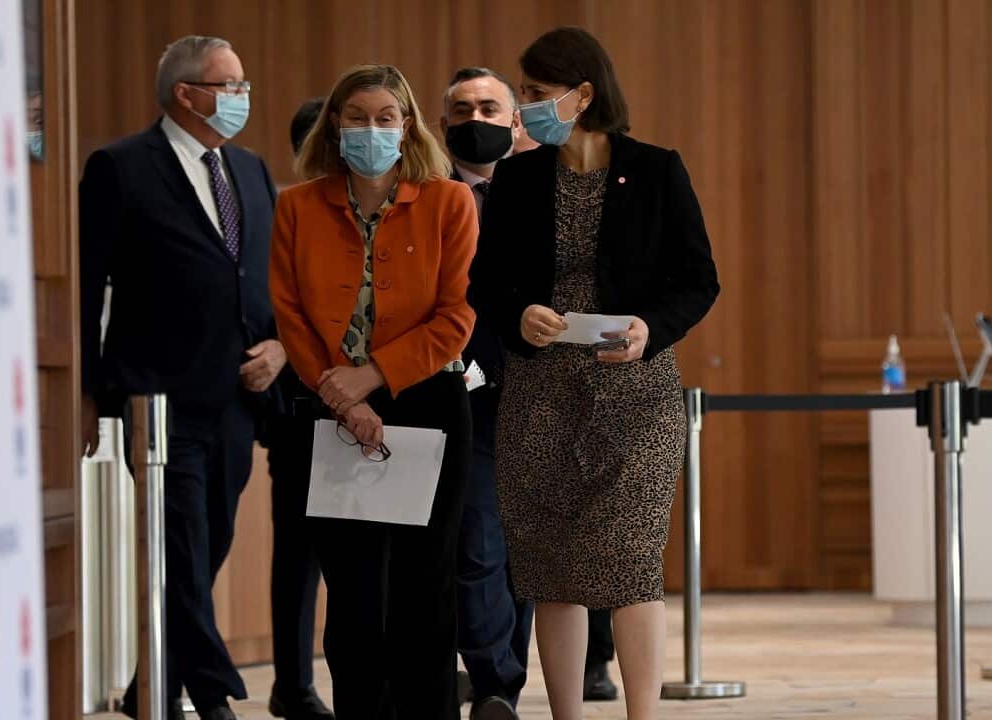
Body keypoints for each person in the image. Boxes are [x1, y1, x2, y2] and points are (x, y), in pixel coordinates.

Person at [470, 27, 720, 720]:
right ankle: (567, 716)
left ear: (583, 94)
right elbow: (485, 283)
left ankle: (642, 714)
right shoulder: (518, 178)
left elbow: (698, 280)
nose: (525, 108)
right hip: (541, 393)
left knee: (631, 563)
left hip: (635, 395)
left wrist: (651, 327)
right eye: (521, 94)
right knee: (552, 569)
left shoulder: (657, 169)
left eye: (536, 94)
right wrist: (518, 313)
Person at [79, 35, 285, 720]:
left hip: (240, 397)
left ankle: (154, 684)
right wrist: (85, 393)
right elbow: (85, 287)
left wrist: (279, 347)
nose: (240, 96)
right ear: (185, 94)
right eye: (227, 84)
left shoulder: (251, 170)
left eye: (243, 82)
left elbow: (271, 281)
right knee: (181, 545)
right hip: (157, 396)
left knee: (207, 544)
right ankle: (213, 689)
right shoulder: (120, 167)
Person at [270, 64, 478, 720]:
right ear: (335, 124)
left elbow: (457, 315)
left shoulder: (449, 201)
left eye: (386, 117)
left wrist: (375, 374)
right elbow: (289, 314)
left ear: (407, 125)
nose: (371, 129)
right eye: (357, 116)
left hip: (428, 403)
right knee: (354, 596)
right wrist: (346, 397)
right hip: (331, 410)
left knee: (426, 589)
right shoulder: (296, 206)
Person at [438, 67, 533, 720]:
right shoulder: (423, 199)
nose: (478, 118)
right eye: (464, 109)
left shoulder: (545, 200)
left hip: (537, 399)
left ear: (515, 121)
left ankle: (508, 680)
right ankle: (493, 680)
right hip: (459, 400)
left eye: (490, 106)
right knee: (477, 546)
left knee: (525, 556)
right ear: (443, 128)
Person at [261, 96, 335, 720]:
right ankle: (293, 681)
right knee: (300, 555)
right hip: (298, 409)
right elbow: (268, 299)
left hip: (371, 403)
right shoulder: (284, 207)